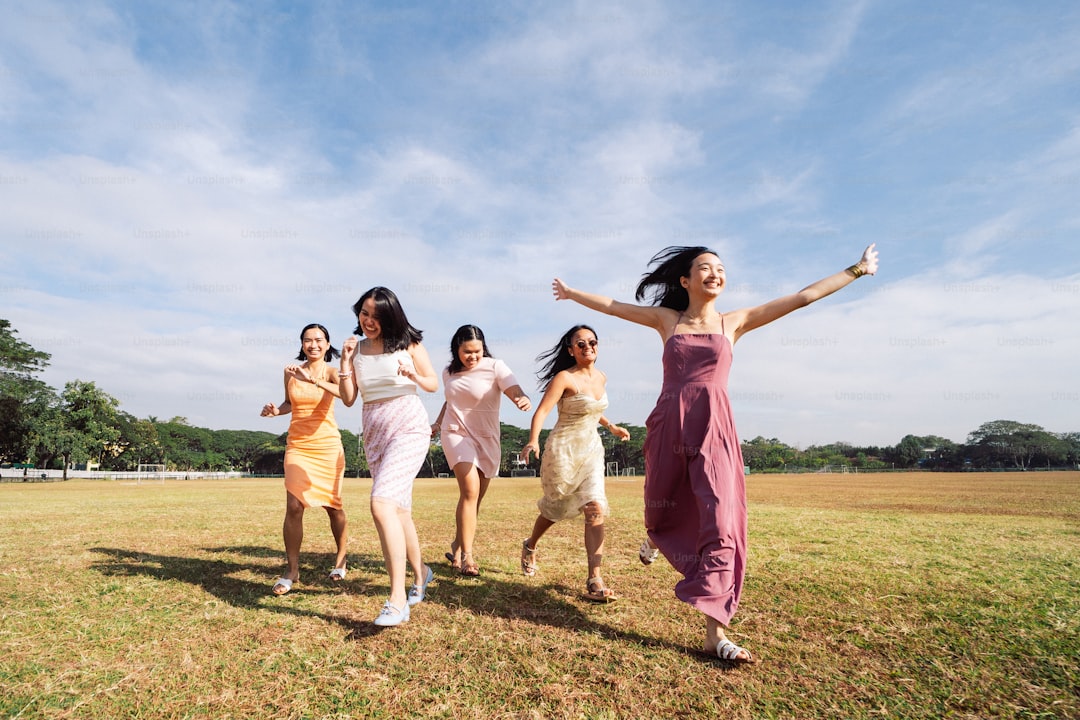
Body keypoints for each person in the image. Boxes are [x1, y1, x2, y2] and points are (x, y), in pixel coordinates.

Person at [551, 244, 879, 662]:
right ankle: (656, 536)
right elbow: (614, 307)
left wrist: (856, 269)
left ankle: (715, 633)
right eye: (705, 268)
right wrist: (572, 292)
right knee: (660, 510)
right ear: (685, 281)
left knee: (722, 518)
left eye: (721, 269)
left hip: (715, 426)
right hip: (671, 421)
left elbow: (802, 297)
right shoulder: (667, 321)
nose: (715, 274)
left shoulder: (733, 323)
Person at [338, 287, 438, 627]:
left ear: (391, 317)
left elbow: (433, 383)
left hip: (409, 425)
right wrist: (344, 362)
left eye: (377, 316)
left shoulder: (409, 344)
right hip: (374, 430)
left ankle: (397, 600)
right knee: (399, 509)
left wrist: (413, 375)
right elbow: (349, 398)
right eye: (364, 313)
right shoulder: (356, 347)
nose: (369, 321)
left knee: (381, 502)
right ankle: (421, 573)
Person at [519, 325, 631, 602]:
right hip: (563, 450)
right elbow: (543, 411)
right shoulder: (564, 378)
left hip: (591, 450)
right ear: (571, 350)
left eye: (592, 341)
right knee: (554, 507)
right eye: (580, 344)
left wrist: (612, 427)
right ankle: (530, 544)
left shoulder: (602, 377)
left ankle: (595, 578)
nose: (587, 347)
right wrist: (533, 440)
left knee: (594, 508)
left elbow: (594, 409)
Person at [431, 325, 531, 576]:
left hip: (487, 437)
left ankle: (457, 544)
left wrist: (521, 398)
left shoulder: (496, 366)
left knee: (474, 499)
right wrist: (438, 422)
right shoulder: (448, 372)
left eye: (477, 351)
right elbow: (451, 400)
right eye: (467, 352)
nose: (472, 357)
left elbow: (513, 388)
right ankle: (468, 556)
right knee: (469, 490)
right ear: (457, 350)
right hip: (456, 433)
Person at [260, 323, 349, 596]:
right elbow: (290, 403)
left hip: (327, 446)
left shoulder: (334, 372)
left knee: (332, 507)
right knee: (294, 505)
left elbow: (347, 397)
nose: (313, 345)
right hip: (298, 445)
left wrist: (315, 380)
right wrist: (276, 410)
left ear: (327, 344)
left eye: (319, 340)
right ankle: (291, 570)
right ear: (301, 344)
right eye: (308, 340)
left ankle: (341, 559)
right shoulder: (290, 373)